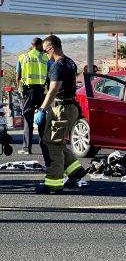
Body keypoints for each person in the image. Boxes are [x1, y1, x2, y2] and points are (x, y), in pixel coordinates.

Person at [34, 35, 86, 194]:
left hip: (61, 109)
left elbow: (53, 90)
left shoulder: (58, 65)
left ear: (52, 48)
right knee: (58, 142)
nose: (45, 54)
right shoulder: (70, 62)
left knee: (52, 144)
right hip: (70, 107)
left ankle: (54, 183)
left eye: (45, 51)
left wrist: (42, 109)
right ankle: (75, 171)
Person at [16, 37, 53, 155]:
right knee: (41, 118)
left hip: (27, 92)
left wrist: (19, 89)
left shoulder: (22, 57)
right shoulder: (45, 58)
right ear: (40, 45)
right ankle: (43, 147)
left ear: (32, 45)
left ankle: (27, 148)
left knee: (28, 119)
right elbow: (51, 74)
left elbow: (18, 76)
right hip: (42, 92)